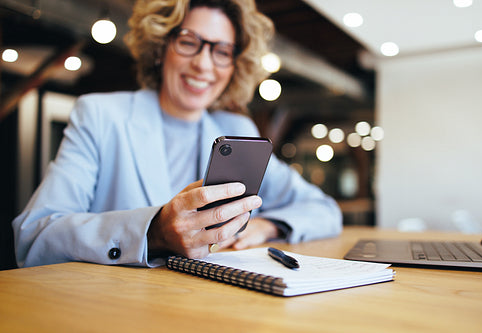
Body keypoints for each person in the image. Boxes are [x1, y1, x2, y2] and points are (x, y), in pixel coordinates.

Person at [12, 0, 342, 268]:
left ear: (234, 65)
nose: (203, 64)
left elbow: (324, 210)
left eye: (222, 51)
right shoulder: (100, 116)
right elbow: (35, 237)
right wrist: (153, 232)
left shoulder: (237, 131)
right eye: (188, 42)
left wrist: (267, 226)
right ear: (160, 48)